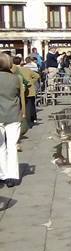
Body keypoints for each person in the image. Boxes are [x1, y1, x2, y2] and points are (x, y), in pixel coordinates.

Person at [0, 53, 24, 187]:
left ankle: (2, 174)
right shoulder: (16, 78)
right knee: (12, 146)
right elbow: (20, 95)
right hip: (13, 114)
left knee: (0, 146)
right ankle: (12, 175)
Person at [16, 57, 39, 127]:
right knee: (29, 106)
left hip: (17, 90)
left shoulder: (12, 70)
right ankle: (29, 122)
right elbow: (37, 76)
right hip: (29, 90)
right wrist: (31, 82)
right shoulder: (26, 69)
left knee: (20, 106)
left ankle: (21, 121)